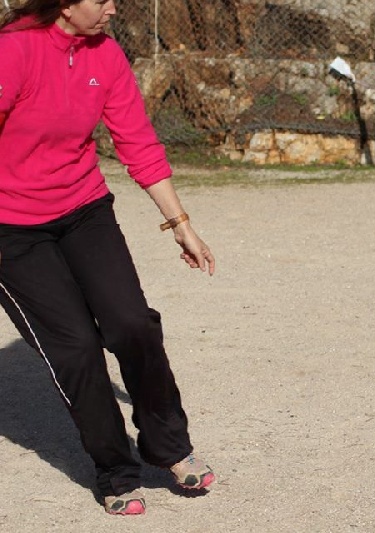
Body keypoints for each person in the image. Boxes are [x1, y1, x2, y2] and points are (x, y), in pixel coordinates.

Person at [0, 0, 216, 515]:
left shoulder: (105, 54)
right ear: (66, 3)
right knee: (74, 348)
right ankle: (116, 470)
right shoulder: (13, 51)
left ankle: (169, 447)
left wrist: (180, 225)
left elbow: (138, 142)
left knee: (132, 325)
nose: (115, 9)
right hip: (12, 228)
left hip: (83, 208)